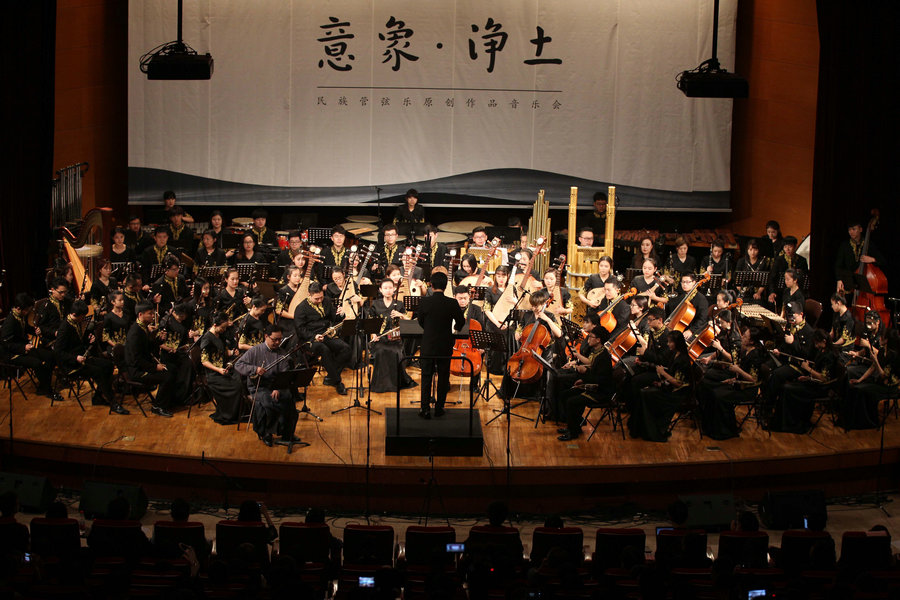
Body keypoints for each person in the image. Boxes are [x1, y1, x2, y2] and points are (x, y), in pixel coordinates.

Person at [235, 324, 303, 446]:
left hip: (276, 385)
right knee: (267, 402)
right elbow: (238, 365)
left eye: (279, 339)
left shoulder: (282, 353)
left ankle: (287, 433)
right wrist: (254, 369)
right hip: (258, 386)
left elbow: (284, 373)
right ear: (266, 336)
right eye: (274, 339)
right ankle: (266, 433)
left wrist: (278, 387)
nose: (277, 342)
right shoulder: (255, 350)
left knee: (288, 400)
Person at [54, 299, 124, 412]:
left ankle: (97, 397)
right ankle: (112, 402)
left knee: (108, 365)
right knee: (99, 372)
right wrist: (75, 358)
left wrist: (89, 339)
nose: (84, 319)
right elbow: (58, 352)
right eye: (82, 316)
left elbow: (79, 341)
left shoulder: (77, 322)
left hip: (82, 357)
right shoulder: (64, 328)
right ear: (75, 314)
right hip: (71, 364)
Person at [698, 326, 765, 440]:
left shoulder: (755, 355)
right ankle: (711, 427)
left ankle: (725, 430)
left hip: (748, 389)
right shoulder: (746, 351)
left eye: (745, 336)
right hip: (739, 383)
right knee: (712, 390)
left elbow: (753, 379)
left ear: (751, 341)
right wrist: (732, 380)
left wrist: (737, 370)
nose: (742, 337)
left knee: (718, 395)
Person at [627, 331, 692, 442]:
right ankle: (640, 429)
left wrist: (662, 373)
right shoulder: (674, 354)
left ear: (677, 343)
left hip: (677, 394)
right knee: (643, 392)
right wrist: (660, 383)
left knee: (646, 394)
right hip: (669, 388)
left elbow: (678, 383)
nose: (668, 344)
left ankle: (653, 432)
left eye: (670, 342)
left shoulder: (683, 360)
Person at [417, 272, 465, 418]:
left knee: (426, 376)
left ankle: (424, 409)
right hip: (445, 344)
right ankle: (439, 408)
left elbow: (420, 321)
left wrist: (429, 329)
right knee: (443, 377)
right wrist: (455, 327)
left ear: (431, 285)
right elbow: (461, 322)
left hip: (428, 344)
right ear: (445, 286)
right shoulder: (452, 303)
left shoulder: (424, 302)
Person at [556, 327, 614, 441]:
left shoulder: (604, 356)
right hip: (592, 385)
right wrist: (583, 379)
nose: (588, 339)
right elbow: (593, 373)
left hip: (600, 391)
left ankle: (573, 432)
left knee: (571, 401)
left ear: (598, 340)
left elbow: (600, 379)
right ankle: (573, 426)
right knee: (565, 395)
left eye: (591, 337)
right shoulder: (596, 351)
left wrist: (585, 372)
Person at [293, 281, 350, 395]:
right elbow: (300, 330)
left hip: (326, 334)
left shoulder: (326, 300)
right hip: (310, 338)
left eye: (321, 297)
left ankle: (332, 376)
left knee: (346, 349)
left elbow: (334, 318)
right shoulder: (301, 308)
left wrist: (341, 314)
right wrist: (314, 336)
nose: (320, 300)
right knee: (324, 350)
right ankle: (337, 381)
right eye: (316, 299)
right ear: (309, 295)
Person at [0, 293, 58, 399]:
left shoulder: (20, 316)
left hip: (23, 348)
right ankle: (46, 388)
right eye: (27, 310)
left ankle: (44, 385)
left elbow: (25, 328)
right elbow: (6, 343)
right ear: (18, 308)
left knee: (50, 356)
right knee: (37, 363)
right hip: (12, 354)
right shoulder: (10, 322)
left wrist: (35, 331)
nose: (28, 312)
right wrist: (23, 348)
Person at [124, 302, 177, 417]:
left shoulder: (142, 328)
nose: (153, 316)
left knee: (172, 368)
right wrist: (155, 367)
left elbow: (148, 348)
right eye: (150, 314)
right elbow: (136, 359)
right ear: (140, 314)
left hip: (144, 364)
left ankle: (166, 400)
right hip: (137, 370)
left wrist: (159, 340)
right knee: (167, 377)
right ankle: (158, 406)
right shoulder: (135, 333)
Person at [368, 278, 416, 393]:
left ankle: (394, 383)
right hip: (380, 337)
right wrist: (374, 335)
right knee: (380, 351)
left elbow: (408, 320)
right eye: (385, 288)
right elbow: (370, 323)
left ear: (394, 289)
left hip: (394, 337)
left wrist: (400, 314)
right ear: (380, 290)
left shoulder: (399, 304)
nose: (388, 290)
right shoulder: (375, 304)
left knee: (396, 352)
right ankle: (380, 384)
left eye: (390, 288)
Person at [203, 312, 245, 426]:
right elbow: (204, 361)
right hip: (213, 374)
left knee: (241, 379)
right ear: (215, 325)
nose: (224, 330)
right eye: (223, 327)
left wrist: (232, 352)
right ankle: (229, 414)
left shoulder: (220, 335)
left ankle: (240, 411)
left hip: (223, 368)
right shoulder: (207, 339)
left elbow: (223, 351)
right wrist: (218, 370)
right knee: (236, 387)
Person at [835, 217, 887, 295]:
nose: (851, 232)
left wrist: (872, 259)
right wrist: (839, 280)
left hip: (865, 288)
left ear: (860, 229)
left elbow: (883, 261)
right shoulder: (844, 245)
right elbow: (838, 265)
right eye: (849, 230)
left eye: (854, 229)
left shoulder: (869, 245)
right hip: (848, 286)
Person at [767, 236, 808, 306]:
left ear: (795, 247)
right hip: (781, 291)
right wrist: (772, 292)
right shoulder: (779, 260)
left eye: (790, 246)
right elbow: (772, 278)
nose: (787, 249)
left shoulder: (802, 260)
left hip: (796, 291)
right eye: (785, 247)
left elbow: (805, 278)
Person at [667, 272, 709, 340]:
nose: (684, 284)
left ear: (694, 282)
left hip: (695, 330)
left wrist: (691, 331)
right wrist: (671, 322)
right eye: (683, 282)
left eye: (687, 282)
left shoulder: (701, 299)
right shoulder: (681, 297)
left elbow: (702, 319)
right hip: (681, 328)